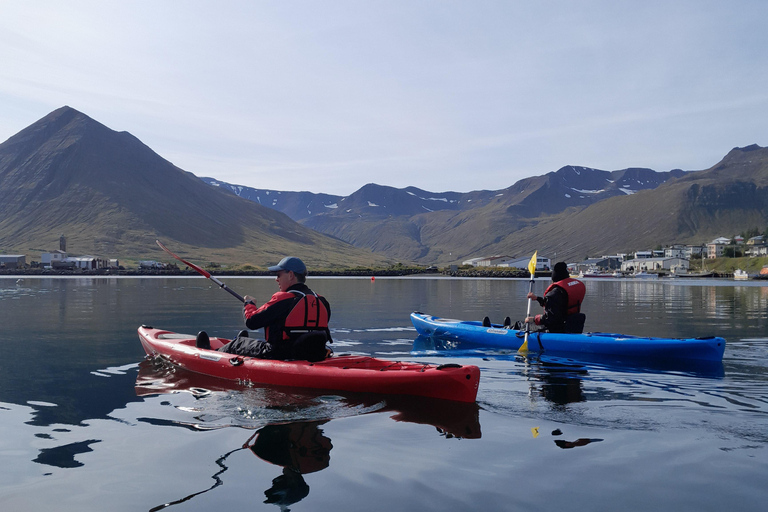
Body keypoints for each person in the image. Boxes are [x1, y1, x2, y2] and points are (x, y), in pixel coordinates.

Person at [200, 256, 332, 361]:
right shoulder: (322, 301)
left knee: (237, 344)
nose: (276, 279)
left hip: (279, 354)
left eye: (279, 275)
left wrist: (249, 304)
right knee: (248, 342)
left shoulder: (283, 298)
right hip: (314, 353)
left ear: (291, 275)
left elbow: (251, 321)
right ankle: (243, 342)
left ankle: (209, 354)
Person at [524, 261, 586, 333]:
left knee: (520, 325)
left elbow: (550, 319)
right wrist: (538, 299)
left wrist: (534, 319)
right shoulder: (568, 289)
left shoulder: (554, 294)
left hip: (555, 330)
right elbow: (559, 305)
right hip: (573, 327)